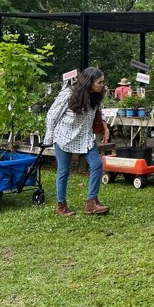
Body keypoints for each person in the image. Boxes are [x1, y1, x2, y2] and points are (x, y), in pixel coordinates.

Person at [45, 67, 110, 216]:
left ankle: (91, 202)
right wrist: (49, 138)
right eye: (99, 82)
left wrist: (105, 128)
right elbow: (51, 115)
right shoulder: (68, 94)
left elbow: (100, 112)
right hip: (64, 136)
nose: (102, 85)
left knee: (97, 165)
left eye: (102, 82)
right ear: (89, 82)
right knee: (64, 170)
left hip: (85, 136)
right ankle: (61, 205)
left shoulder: (96, 96)